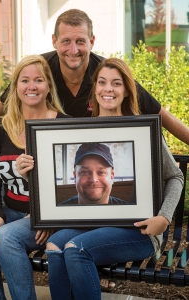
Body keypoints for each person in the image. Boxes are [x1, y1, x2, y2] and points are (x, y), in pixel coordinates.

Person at [0, 9, 189, 159]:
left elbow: (161, 114)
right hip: (52, 161)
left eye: (80, 41)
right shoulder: (41, 70)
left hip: (95, 160)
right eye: (66, 41)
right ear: (55, 41)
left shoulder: (106, 75)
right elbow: (3, 103)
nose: (73, 50)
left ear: (92, 41)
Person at [42, 57, 184, 300]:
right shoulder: (83, 131)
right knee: (55, 245)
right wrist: (29, 173)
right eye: (102, 82)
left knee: (76, 249)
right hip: (94, 227)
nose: (108, 89)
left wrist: (164, 216)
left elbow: (175, 176)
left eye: (116, 83)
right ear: (94, 88)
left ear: (127, 90)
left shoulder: (143, 129)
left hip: (140, 231)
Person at [0, 54, 70, 300]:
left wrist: (46, 217)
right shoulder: (1, 127)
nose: (31, 86)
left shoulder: (63, 124)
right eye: (24, 80)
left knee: (5, 237)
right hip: (12, 210)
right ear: (16, 86)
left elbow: (72, 184)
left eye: (38, 80)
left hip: (48, 217)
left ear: (49, 87)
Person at [59, 142, 128, 205]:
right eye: (84, 172)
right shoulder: (58, 214)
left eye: (101, 172)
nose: (93, 180)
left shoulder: (129, 214)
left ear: (111, 177)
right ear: (75, 176)